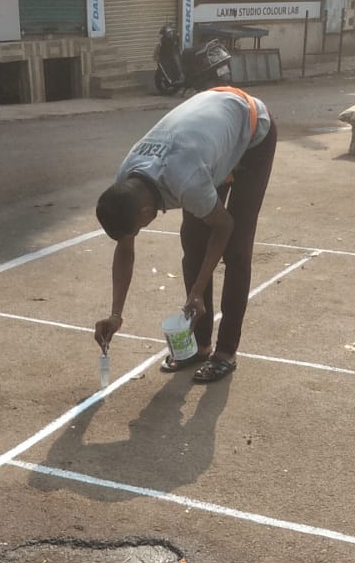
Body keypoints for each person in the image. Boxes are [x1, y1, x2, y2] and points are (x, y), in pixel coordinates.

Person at [93, 86, 276, 384]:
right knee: (193, 245)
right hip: (205, 139)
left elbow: (223, 226)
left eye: (139, 228)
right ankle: (199, 346)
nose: (139, 231)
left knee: (236, 251)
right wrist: (115, 314)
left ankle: (225, 352)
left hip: (252, 127)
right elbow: (125, 248)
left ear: (145, 212)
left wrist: (196, 292)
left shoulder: (187, 181)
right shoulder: (126, 181)